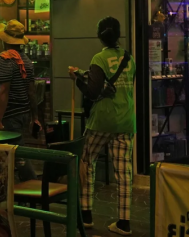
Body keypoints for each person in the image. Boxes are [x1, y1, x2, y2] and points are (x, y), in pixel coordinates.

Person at [69, 17, 136, 236]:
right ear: (118, 34)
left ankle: (86, 215)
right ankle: (124, 222)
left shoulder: (98, 58)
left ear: (100, 36)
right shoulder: (129, 58)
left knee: (87, 162)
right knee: (124, 172)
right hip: (126, 121)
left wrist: (77, 79)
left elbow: (92, 91)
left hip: (101, 121)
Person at [0, 19, 40, 181]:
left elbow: (4, 91)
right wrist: (35, 117)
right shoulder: (27, 60)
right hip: (24, 112)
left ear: (5, 40)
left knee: (19, 154)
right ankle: (9, 186)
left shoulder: (5, 59)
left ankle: (33, 184)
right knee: (11, 153)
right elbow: (32, 92)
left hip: (10, 114)